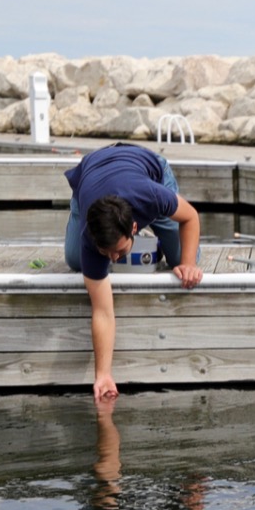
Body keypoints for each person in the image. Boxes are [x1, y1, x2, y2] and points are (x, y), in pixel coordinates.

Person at [64, 142, 204, 400]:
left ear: (134, 229)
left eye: (118, 250)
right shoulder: (90, 236)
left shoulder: (151, 195)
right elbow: (103, 311)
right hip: (91, 171)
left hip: (147, 168)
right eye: (106, 253)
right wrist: (103, 374)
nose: (113, 259)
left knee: (180, 258)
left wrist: (188, 264)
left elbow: (190, 217)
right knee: (75, 260)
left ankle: (160, 241)